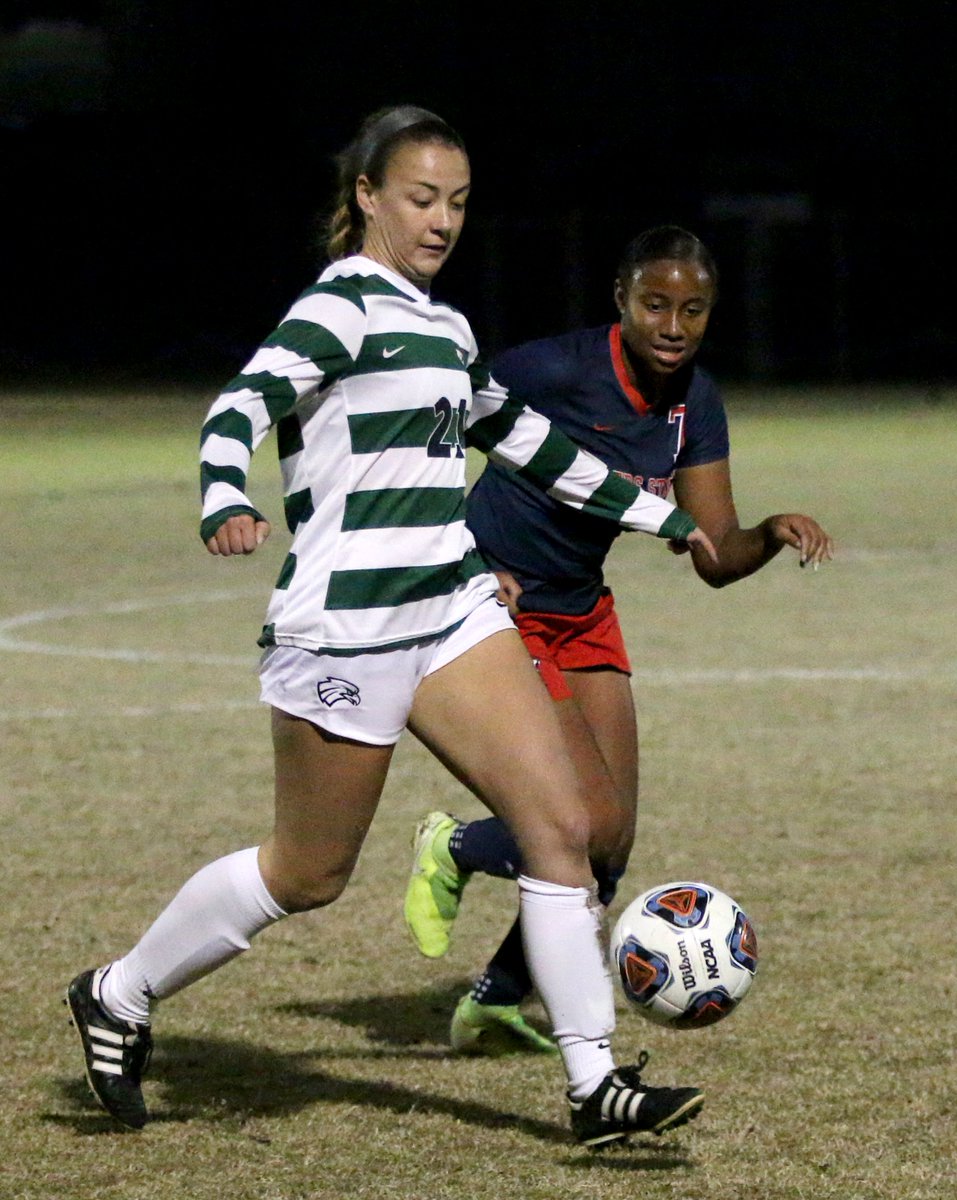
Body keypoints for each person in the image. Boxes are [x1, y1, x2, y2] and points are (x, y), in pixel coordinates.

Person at [64, 108, 718, 1148]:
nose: (441, 220)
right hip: (347, 627)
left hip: (453, 607)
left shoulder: (448, 327)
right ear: (367, 195)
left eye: (457, 202)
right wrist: (223, 496)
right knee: (308, 872)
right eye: (421, 198)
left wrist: (660, 514)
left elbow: (524, 439)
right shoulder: (338, 307)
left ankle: (595, 1088)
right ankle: (120, 990)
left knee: (565, 830)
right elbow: (238, 405)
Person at [403, 224, 833, 1055]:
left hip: (581, 608)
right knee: (584, 821)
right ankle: (453, 844)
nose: (672, 326)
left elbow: (712, 554)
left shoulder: (692, 404)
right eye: (655, 305)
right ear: (622, 301)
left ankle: (495, 995)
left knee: (611, 847)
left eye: (693, 310)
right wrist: (455, 557)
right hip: (500, 600)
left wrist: (770, 531)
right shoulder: (555, 369)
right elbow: (437, 416)